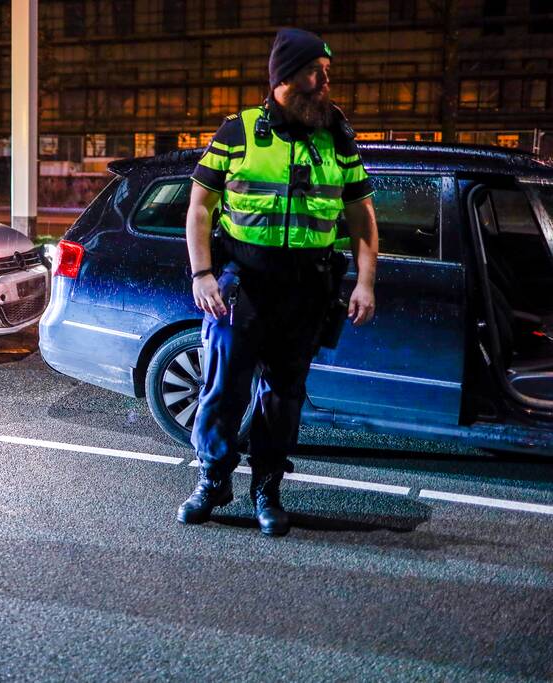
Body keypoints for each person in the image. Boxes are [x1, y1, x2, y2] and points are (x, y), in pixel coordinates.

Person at [178, 28, 380, 536]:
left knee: (283, 396)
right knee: (223, 389)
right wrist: (202, 274)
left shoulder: (336, 135)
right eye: (316, 72)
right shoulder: (238, 132)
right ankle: (213, 480)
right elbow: (199, 207)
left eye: (326, 73)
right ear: (285, 77)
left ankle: (267, 488)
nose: (325, 82)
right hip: (241, 285)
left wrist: (365, 282)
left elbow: (362, 217)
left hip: (306, 290)